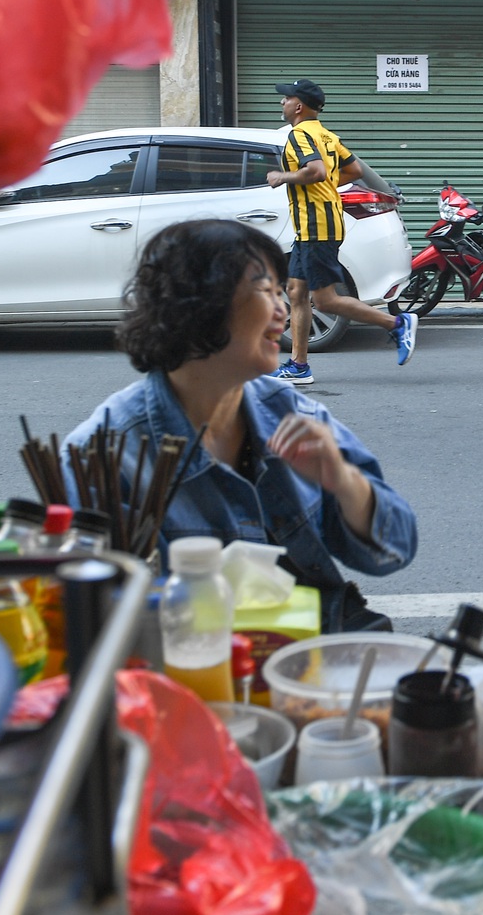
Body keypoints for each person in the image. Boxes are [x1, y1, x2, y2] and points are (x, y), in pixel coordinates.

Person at [64, 219, 417, 633]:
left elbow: (396, 549)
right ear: (199, 304)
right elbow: (105, 620)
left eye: (281, 292)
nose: (284, 311)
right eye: (265, 291)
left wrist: (343, 479)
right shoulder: (105, 455)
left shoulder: (294, 414)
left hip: (316, 654)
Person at [266, 78, 417, 384]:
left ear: (299, 106)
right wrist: (323, 185)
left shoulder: (300, 135)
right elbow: (354, 171)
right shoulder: (325, 134)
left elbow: (317, 171)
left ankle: (397, 324)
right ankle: (299, 365)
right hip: (315, 226)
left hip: (317, 226)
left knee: (325, 301)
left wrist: (283, 176)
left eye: (285, 99)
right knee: (296, 292)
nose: (281, 103)